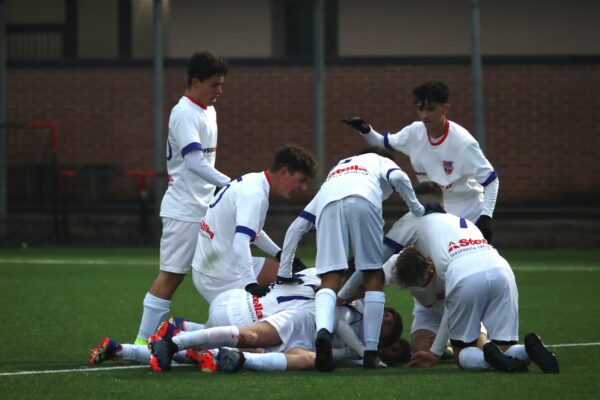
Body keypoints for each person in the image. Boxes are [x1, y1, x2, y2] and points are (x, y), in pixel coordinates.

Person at [277, 147, 428, 371]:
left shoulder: (339, 169)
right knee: (373, 275)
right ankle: (370, 353)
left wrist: (284, 272)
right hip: (363, 199)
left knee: (330, 278)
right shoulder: (379, 160)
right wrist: (417, 208)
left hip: (329, 204)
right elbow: (398, 177)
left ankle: (324, 333)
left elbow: (296, 227)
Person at [133, 51, 231, 346]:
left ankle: (216, 332)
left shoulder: (208, 110)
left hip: (207, 207)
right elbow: (194, 162)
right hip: (184, 210)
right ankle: (141, 342)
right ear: (195, 82)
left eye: (221, 84)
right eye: (214, 85)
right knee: (172, 276)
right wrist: (233, 185)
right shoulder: (184, 113)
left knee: (228, 270)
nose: (219, 91)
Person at [389, 205, 559, 373]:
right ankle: (529, 350)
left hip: (464, 272)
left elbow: (450, 310)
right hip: (500, 266)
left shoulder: (417, 225)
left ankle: (487, 359)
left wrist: (435, 352)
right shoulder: (461, 224)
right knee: (505, 348)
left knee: (462, 353)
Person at [342, 80, 498, 242]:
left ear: (445, 108)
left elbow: (491, 180)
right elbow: (384, 144)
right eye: (420, 109)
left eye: (431, 109)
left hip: (467, 210)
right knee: (397, 237)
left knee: (452, 260)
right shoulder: (414, 132)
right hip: (432, 205)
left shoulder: (464, 143)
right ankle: (366, 264)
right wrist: (365, 130)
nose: (424, 115)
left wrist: (485, 217)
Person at [192, 145, 317, 303]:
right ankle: (183, 327)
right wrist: (250, 284)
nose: (303, 187)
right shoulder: (255, 195)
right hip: (218, 277)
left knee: (288, 275)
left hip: (212, 266)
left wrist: (280, 254)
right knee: (290, 297)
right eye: (301, 180)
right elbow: (241, 242)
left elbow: (253, 232)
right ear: (284, 172)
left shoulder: (255, 181)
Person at [147, 300, 403, 372]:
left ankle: (234, 360)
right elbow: (339, 323)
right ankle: (173, 343)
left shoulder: (365, 353)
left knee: (307, 361)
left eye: (389, 325)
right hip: (301, 323)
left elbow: (339, 360)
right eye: (387, 313)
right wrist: (359, 351)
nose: (385, 318)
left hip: (308, 346)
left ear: (382, 340)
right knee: (251, 337)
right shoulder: (357, 308)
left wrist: (354, 355)